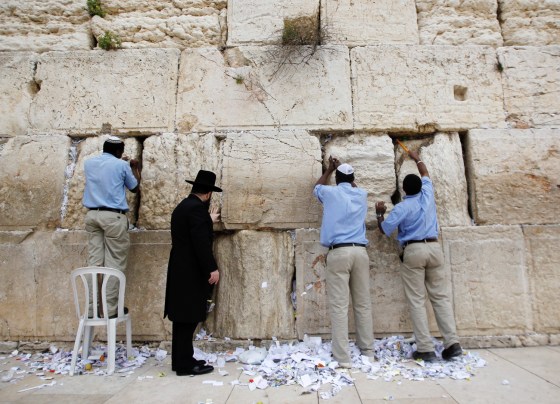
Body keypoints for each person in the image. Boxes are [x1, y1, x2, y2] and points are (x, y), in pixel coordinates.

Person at [375, 149, 462, 362]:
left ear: (403, 190)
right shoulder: (427, 196)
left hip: (413, 250)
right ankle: (452, 343)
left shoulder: (402, 208)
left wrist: (379, 214)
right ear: (420, 188)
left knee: (416, 300)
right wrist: (417, 158)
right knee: (440, 297)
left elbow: (385, 230)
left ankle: (425, 348)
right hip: (434, 248)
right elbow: (426, 174)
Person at [313, 156, 375, 368]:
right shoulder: (361, 194)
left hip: (339, 252)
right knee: (363, 303)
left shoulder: (330, 192)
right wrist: (342, 170)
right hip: (360, 252)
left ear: (337, 179)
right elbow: (353, 185)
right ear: (353, 178)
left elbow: (317, 187)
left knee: (340, 306)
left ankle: (343, 357)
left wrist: (330, 169)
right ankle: (368, 351)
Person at [164, 170, 222, 376]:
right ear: (208, 194)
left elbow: (192, 230)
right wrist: (212, 268)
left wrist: (208, 220)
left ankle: (181, 360)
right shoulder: (197, 210)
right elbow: (199, 243)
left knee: (181, 319)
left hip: (179, 268)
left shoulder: (184, 206)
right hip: (190, 272)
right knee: (188, 318)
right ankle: (185, 364)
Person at [82, 136, 141, 318]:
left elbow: (105, 172)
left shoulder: (89, 163)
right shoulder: (121, 165)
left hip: (92, 215)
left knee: (94, 264)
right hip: (113, 217)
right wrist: (133, 167)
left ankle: (91, 310)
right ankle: (110, 310)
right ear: (118, 151)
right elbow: (134, 188)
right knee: (114, 265)